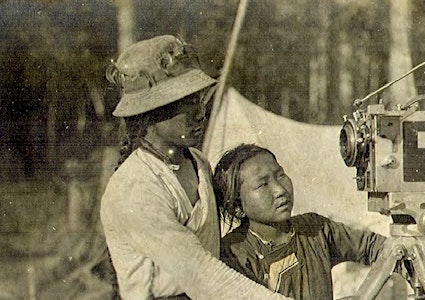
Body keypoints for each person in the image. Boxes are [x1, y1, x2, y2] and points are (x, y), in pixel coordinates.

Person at [100, 35, 290, 299]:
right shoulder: (134, 188)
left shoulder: (198, 164)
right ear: (152, 113)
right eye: (186, 104)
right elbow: (200, 274)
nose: (200, 113)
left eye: (199, 100)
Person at [212, 143, 389, 300]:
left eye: (280, 175)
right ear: (237, 207)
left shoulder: (315, 229)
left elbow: (372, 246)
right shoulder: (233, 255)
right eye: (263, 185)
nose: (280, 190)